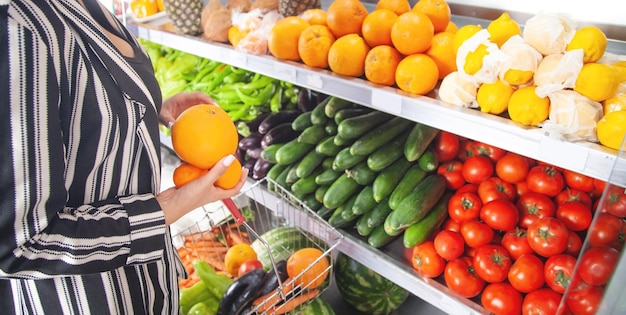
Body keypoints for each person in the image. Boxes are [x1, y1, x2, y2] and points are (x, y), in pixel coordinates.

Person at [0, 0, 248, 313]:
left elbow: (70, 113)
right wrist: (170, 207)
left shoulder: (92, 6)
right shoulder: (18, 27)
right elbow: (19, 244)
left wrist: (144, 110)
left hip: (145, 286)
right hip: (87, 299)